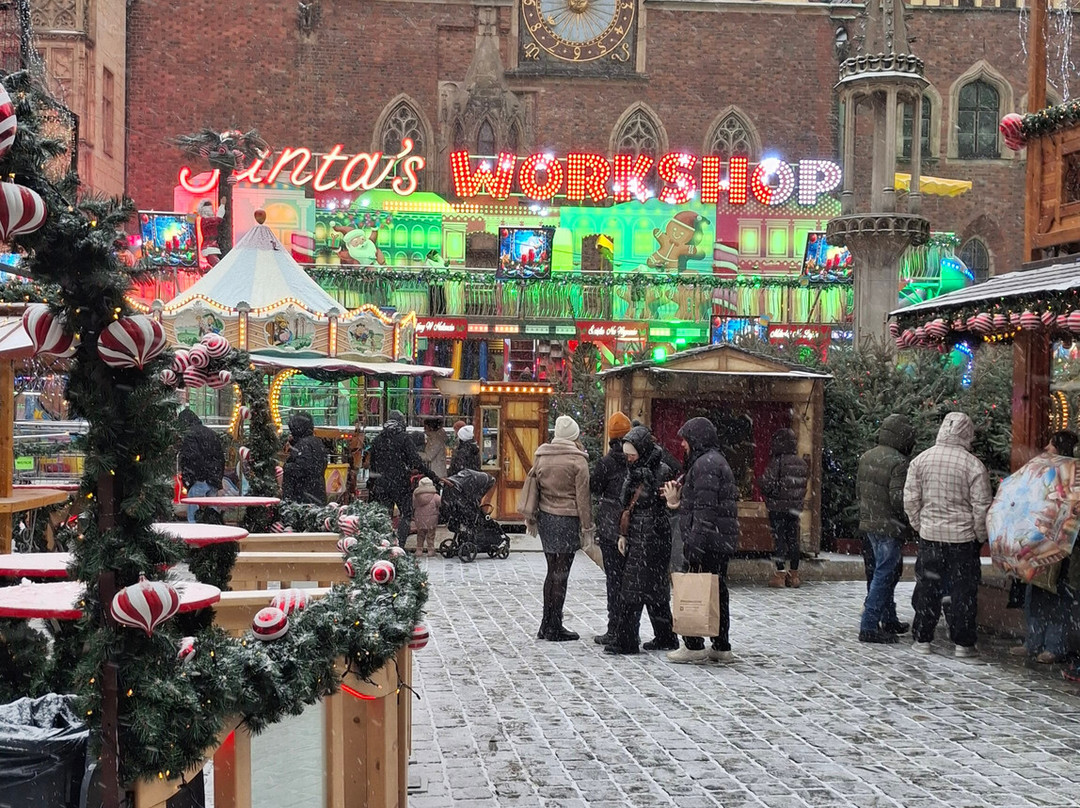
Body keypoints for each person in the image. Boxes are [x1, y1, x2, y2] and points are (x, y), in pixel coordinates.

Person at [903, 411, 992, 658]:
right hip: (963, 540)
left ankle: (922, 638)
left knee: (927, 588)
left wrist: (920, 525)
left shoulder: (921, 460)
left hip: (930, 536)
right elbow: (981, 505)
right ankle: (963, 643)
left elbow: (910, 499)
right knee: (963, 592)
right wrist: (979, 535)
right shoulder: (973, 465)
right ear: (967, 433)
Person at [662, 416, 739, 664]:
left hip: (706, 542)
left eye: (685, 439)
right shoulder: (712, 461)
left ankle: (694, 644)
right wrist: (678, 503)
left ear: (696, 439)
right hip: (718, 541)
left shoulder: (705, 465)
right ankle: (720, 644)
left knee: (696, 592)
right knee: (716, 592)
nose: (682, 444)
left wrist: (694, 545)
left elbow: (705, 511)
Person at [519, 415, 594, 642]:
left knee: (552, 570)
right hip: (567, 518)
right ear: (574, 435)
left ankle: (546, 623)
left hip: (546, 519)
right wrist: (587, 527)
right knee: (561, 573)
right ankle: (555, 625)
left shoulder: (542, 456)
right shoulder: (577, 461)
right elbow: (583, 498)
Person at [605, 426, 680, 655]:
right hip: (641, 534)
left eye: (632, 455)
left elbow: (661, 506)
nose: (629, 459)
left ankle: (626, 640)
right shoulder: (638, 469)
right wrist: (623, 534)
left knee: (632, 589)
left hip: (652, 535)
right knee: (654, 591)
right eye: (627, 455)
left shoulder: (660, 471)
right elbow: (627, 504)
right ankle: (666, 637)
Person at [1007, 430, 1078, 664]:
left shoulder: (1073, 475)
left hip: (1064, 545)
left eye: (1052, 444)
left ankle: (1054, 646)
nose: (1047, 448)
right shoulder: (1044, 472)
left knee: (1058, 595)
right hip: (1041, 539)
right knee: (1036, 592)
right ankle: (1034, 641)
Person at [855, 414, 916, 644]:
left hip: (869, 523)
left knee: (881, 572)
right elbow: (898, 499)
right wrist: (908, 521)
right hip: (889, 526)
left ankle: (889, 618)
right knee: (885, 573)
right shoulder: (899, 462)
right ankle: (869, 625)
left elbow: (858, 492)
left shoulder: (866, 457)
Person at [590, 412, 632, 646]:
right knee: (629, 578)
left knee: (614, 579)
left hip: (609, 525)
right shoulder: (635, 459)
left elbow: (595, 487)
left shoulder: (606, 463)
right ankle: (628, 627)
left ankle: (614, 626)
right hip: (631, 524)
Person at [369, 410, 436, 543]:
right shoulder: (404, 438)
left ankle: (384, 543)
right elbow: (416, 461)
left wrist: (372, 483)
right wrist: (433, 476)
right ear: (401, 422)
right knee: (405, 514)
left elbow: (373, 465)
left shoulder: (378, 439)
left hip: (382, 484)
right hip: (400, 483)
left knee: (384, 516)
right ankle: (400, 544)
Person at [757, 427, 809, 588]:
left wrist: (761, 484)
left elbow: (768, 483)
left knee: (779, 540)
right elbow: (803, 486)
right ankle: (794, 575)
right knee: (793, 540)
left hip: (778, 507)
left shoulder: (777, 462)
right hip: (795, 508)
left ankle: (780, 575)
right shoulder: (801, 463)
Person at [178, 409, 226, 522]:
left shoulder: (189, 435)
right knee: (211, 512)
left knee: (194, 511)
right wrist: (216, 477)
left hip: (199, 478)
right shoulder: (210, 433)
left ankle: (196, 534)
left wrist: (193, 478)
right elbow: (220, 457)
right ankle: (212, 533)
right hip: (213, 477)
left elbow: (192, 457)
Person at [281, 412, 328, 505]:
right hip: (317, 492)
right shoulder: (317, 442)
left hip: (303, 495)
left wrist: (285, 466)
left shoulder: (303, 445)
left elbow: (302, 468)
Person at [412, 476, 442, 558]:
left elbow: (414, 505)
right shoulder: (435, 496)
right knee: (430, 536)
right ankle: (430, 550)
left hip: (419, 519)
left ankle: (419, 550)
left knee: (420, 535)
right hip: (431, 520)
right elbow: (440, 503)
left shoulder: (416, 496)